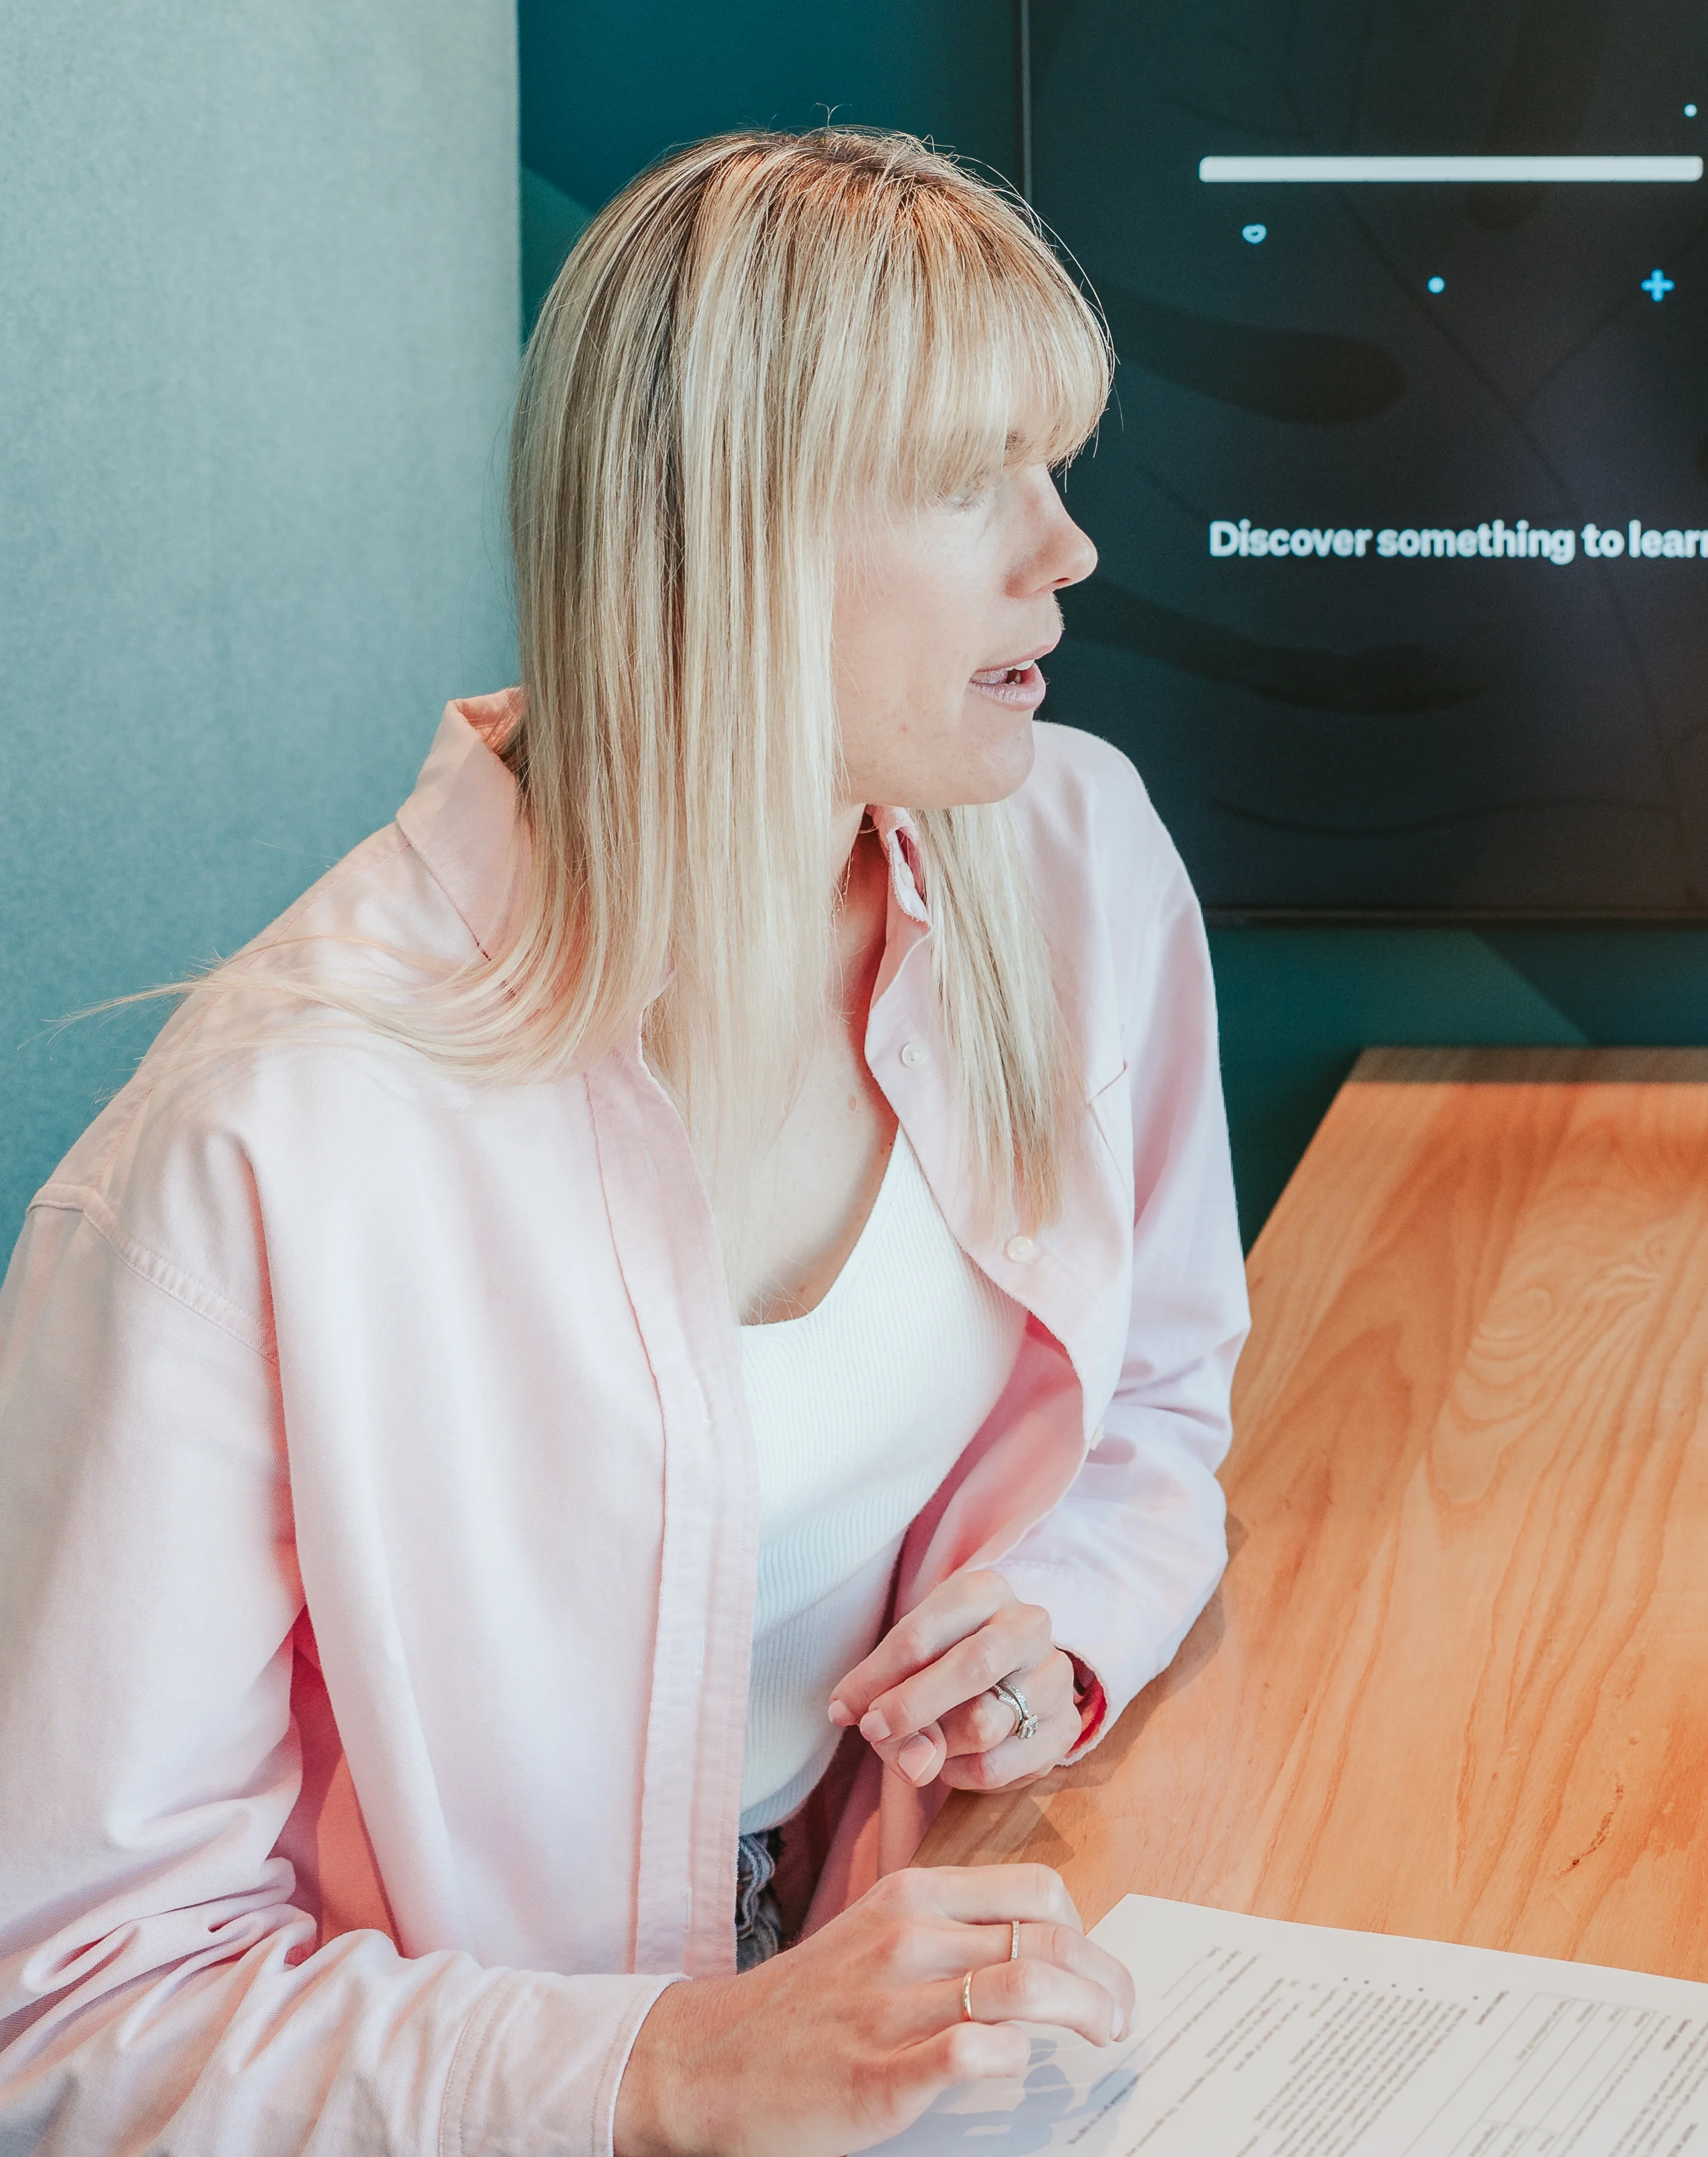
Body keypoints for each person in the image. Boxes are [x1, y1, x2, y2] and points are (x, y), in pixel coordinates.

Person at [0, 130, 1247, 2153]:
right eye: (968, 481)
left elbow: (1158, 1399)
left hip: (904, 2024)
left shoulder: (1074, 858)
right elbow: (69, 2020)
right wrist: (667, 2069)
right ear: (722, 535)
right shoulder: (259, 1152)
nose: (1066, 549)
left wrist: (1069, 1614)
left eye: (1056, 465)